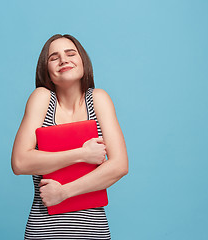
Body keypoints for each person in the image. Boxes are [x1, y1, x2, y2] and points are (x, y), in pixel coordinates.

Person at [11, 34, 128, 239]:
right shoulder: (42, 98)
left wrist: (64, 192)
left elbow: (119, 166)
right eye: (53, 57)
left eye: (70, 53)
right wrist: (82, 154)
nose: (63, 60)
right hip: (45, 230)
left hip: (93, 230)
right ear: (46, 70)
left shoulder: (99, 99)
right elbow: (20, 162)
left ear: (83, 61)